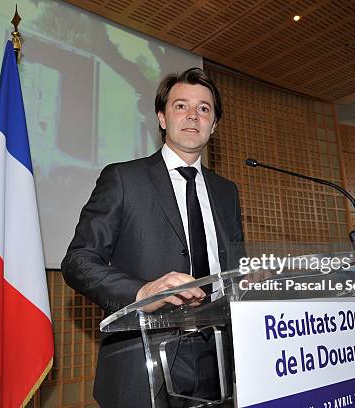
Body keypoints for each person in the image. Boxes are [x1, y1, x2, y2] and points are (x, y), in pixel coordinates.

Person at [61, 67, 244, 408]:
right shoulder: (123, 179)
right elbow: (77, 261)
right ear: (161, 118)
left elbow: (232, 268)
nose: (193, 115)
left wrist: (248, 280)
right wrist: (143, 292)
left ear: (214, 124)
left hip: (218, 357)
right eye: (180, 106)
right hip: (143, 359)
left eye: (204, 108)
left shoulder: (227, 192)